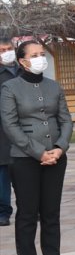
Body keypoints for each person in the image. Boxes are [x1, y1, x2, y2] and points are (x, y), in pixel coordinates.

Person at [1, 40, 73, 255]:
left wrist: (59, 148)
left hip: (56, 158)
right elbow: (10, 126)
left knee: (51, 214)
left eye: (42, 54)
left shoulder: (53, 86)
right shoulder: (10, 88)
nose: (40, 58)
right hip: (25, 160)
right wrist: (39, 153)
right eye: (35, 55)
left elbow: (65, 120)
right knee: (28, 215)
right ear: (22, 61)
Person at [0, 36, 19, 227]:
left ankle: (30, 208)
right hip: (2, 134)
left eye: (9, 48)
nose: (7, 53)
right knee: (3, 176)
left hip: (25, 131)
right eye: (2, 50)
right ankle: (3, 211)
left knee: (25, 175)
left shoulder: (23, 70)